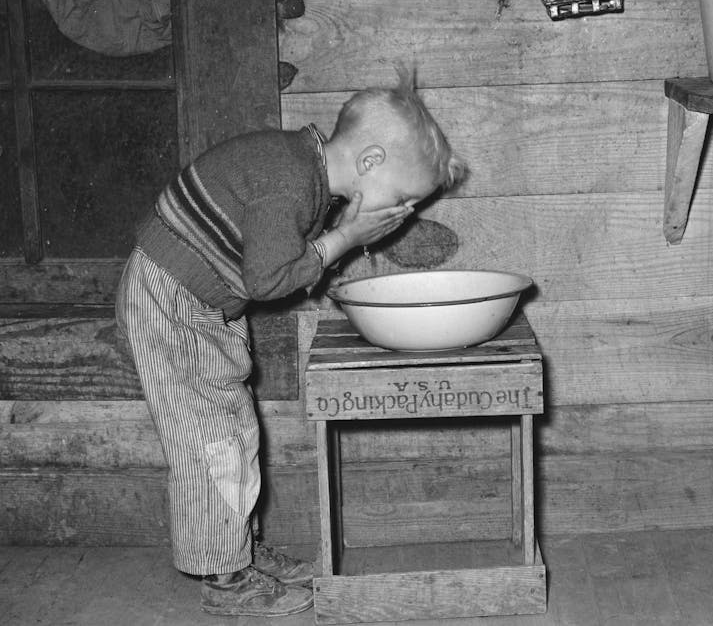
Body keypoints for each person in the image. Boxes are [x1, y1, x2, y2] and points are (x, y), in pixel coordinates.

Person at [116, 67, 466, 617]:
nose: (402, 215)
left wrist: (341, 232)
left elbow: (275, 260)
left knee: (233, 430)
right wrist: (347, 237)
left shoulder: (304, 171)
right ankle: (226, 578)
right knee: (211, 439)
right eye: (402, 198)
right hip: (173, 295)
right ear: (370, 161)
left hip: (198, 296)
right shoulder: (291, 182)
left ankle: (236, 549)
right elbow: (268, 280)